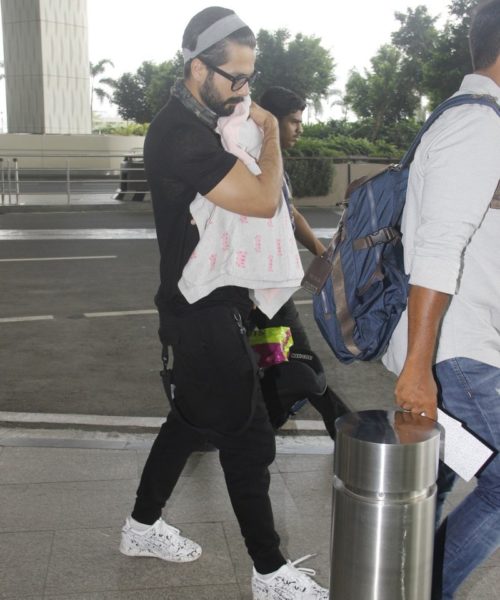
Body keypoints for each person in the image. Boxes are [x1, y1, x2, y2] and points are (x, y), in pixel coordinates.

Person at [119, 7, 328, 600]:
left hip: (216, 303)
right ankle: (269, 572)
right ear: (196, 66)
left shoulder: (207, 119)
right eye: (235, 78)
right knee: (248, 438)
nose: (244, 91)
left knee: (188, 422)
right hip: (201, 310)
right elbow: (265, 202)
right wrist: (265, 129)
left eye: (250, 80)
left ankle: (141, 526)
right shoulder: (182, 135)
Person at [382, 1, 500, 597]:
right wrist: (418, 368)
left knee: (438, 483)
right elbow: (438, 249)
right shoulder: (479, 124)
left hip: (462, 343)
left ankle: (402, 586)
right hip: (456, 349)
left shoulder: (472, 120)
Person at [250, 85, 349, 438]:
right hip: (258, 289)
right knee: (301, 359)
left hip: (269, 288)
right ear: (271, 121)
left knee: (280, 360)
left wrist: (324, 254)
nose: (300, 129)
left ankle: (337, 423)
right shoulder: (252, 162)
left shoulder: (275, 166)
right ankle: (343, 427)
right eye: (293, 122)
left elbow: (291, 215)